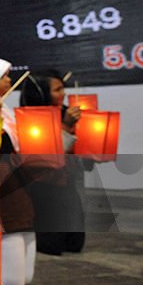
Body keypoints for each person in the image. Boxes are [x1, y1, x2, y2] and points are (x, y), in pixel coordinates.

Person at [20, 69, 87, 256]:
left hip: (67, 183)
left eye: (62, 88)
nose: (63, 94)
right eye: (57, 90)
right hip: (44, 186)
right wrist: (65, 127)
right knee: (50, 243)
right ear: (41, 93)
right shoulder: (32, 119)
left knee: (74, 243)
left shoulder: (66, 113)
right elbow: (46, 158)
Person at [0, 57, 36, 285]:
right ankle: (3, 279)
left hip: (16, 179)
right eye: (4, 76)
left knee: (25, 224)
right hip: (0, 182)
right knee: (12, 225)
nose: (10, 80)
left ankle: (18, 275)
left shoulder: (6, 110)